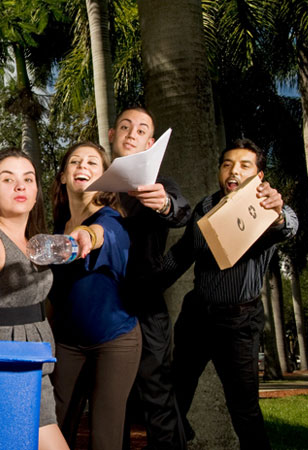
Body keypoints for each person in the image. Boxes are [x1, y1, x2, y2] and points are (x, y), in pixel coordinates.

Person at [156, 139, 297, 450]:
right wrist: (143, 283)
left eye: (245, 165)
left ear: (259, 176)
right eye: (227, 164)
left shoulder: (267, 208)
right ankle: (180, 438)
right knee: (172, 398)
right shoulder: (205, 207)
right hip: (196, 316)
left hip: (239, 323)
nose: (233, 171)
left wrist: (279, 212)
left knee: (244, 410)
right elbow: (181, 255)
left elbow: (287, 226)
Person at [0, 148, 72, 450]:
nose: (20, 186)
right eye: (8, 180)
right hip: (5, 357)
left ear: (35, 192)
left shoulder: (36, 240)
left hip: (36, 357)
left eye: (28, 179)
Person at [48, 142, 142, 450]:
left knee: (105, 436)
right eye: (75, 161)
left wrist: (87, 236)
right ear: (63, 176)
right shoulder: (57, 228)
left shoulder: (110, 218)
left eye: (92, 163)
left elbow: (104, 234)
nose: (82, 167)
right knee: (55, 427)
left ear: (103, 177)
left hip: (115, 340)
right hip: (67, 343)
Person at [109, 107, 191, 449]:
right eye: (125, 126)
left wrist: (165, 204)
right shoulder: (96, 185)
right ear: (112, 135)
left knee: (157, 393)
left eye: (141, 129)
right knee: (114, 400)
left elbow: (181, 211)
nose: (132, 133)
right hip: (103, 306)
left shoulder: (160, 184)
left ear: (150, 142)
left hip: (146, 309)